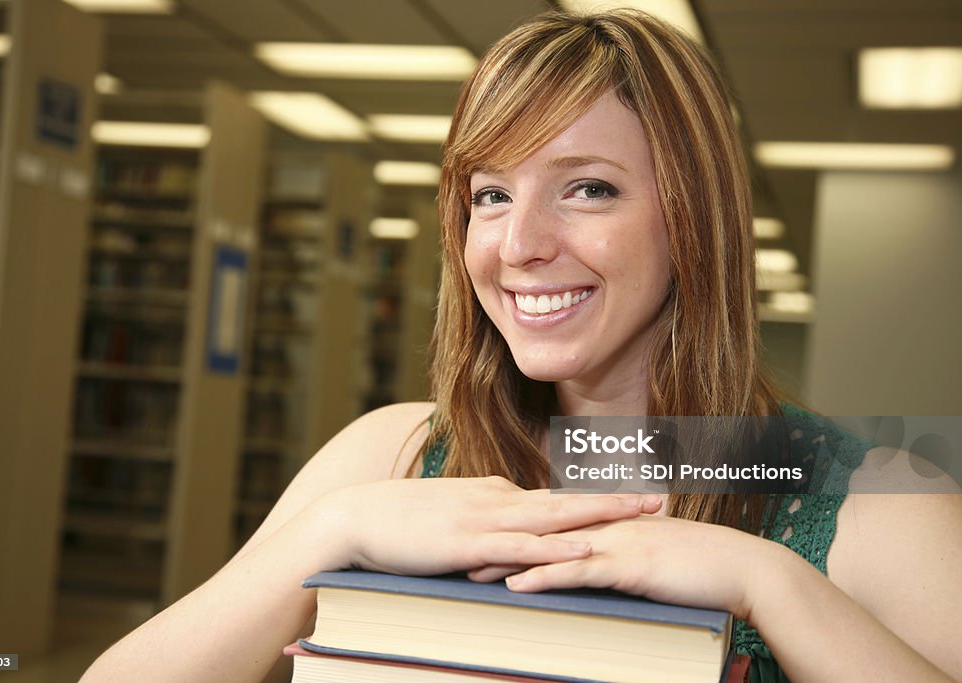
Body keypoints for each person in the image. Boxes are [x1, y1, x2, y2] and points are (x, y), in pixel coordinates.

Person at [82, 10, 962, 683]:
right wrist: (330, 532)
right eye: (490, 196)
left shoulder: (885, 502)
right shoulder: (387, 454)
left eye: (586, 188)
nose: (516, 245)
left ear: (692, 221)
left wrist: (772, 586)